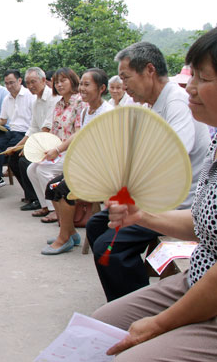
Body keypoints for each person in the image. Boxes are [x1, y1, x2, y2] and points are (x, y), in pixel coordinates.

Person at [91, 28, 217, 361]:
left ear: (148, 71)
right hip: (199, 272)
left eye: (202, 77)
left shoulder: (174, 102)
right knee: (96, 330)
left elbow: (172, 152)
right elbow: (206, 220)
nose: (189, 87)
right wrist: (142, 214)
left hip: (178, 208)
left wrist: (158, 324)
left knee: (110, 245)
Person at [40, 68, 113, 255]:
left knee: (63, 190)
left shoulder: (108, 112)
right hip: (85, 166)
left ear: (102, 88)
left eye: (87, 85)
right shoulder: (87, 110)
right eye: (81, 84)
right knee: (51, 187)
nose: (82, 88)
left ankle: (63, 238)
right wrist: (57, 150)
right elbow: (79, 135)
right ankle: (70, 233)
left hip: (102, 171)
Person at [26, 68, 84, 223]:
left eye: (63, 80)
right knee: (32, 168)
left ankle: (55, 211)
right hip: (58, 149)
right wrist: (46, 149)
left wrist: (57, 150)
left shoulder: (79, 102)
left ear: (72, 81)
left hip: (72, 151)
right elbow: (53, 129)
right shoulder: (58, 104)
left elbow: (77, 133)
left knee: (44, 170)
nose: (59, 84)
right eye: (57, 81)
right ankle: (46, 205)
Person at [3, 67, 59, 212]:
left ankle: (38, 200)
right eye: (28, 83)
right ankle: (33, 197)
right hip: (40, 140)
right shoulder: (36, 101)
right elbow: (33, 128)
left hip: (53, 144)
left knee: (25, 161)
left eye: (33, 82)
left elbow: (47, 128)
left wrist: (28, 148)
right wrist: (17, 146)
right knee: (13, 157)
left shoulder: (53, 99)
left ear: (43, 80)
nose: (31, 86)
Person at [0, 69, 36, 196]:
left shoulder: (29, 96)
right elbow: (3, 120)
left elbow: (35, 122)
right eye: (7, 84)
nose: (9, 86)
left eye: (12, 83)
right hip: (12, 131)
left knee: (10, 155)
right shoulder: (7, 98)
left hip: (25, 132)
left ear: (20, 81)